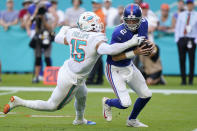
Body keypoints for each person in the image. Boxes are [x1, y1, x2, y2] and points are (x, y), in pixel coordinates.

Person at [3, 11, 147, 125]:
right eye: (95, 22)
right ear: (89, 25)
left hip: (69, 69)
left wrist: (64, 29)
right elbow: (110, 50)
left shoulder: (73, 33)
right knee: (52, 105)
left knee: (83, 94)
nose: (99, 24)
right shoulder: (95, 39)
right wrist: (131, 43)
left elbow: (58, 38)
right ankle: (19, 101)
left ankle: (79, 120)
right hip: (73, 78)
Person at [102, 4, 155, 127]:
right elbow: (114, 57)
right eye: (128, 20)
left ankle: (132, 120)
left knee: (146, 95)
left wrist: (150, 46)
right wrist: (135, 52)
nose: (131, 23)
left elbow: (143, 44)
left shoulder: (144, 23)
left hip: (128, 66)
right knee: (125, 104)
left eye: (134, 20)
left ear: (140, 18)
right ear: (123, 19)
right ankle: (108, 102)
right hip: (114, 68)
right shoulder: (118, 33)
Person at [26, 0, 53, 83]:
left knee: (47, 57)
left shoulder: (48, 15)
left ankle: (50, 77)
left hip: (46, 37)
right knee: (37, 58)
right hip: (38, 38)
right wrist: (35, 13)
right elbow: (29, 23)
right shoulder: (36, 15)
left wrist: (44, 20)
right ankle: (37, 77)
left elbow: (50, 28)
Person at [139, 2, 165, 85]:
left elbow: (151, 28)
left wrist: (139, 30)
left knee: (153, 59)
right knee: (141, 61)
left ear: (147, 9)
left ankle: (158, 76)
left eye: (145, 8)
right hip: (138, 44)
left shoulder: (151, 16)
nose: (144, 10)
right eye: (142, 9)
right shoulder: (137, 18)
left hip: (150, 43)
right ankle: (149, 77)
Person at [175, 0, 197, 85]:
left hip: (191, 39)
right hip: (182, 39)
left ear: (193, 5)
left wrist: (195, 40)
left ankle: (190, 80)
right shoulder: (181, 15)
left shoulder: (196, 15)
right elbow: (178, 28)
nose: (190, 6)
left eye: (191, 4)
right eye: (188, 4)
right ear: (186, 5)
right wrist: (177, 39)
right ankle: (183, 80)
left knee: (192, 60)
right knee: (182, 60)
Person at [86, 0, 106, 84]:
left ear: (100, 4)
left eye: (96, 3)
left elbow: (97, 28)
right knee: (98, 60)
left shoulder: (100, 14)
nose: (94, 5)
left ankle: (91, 79)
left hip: (98, 39)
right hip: (98, 38)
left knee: (95, 59)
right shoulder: (96, 13)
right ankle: (99, 79)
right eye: (93, 3)